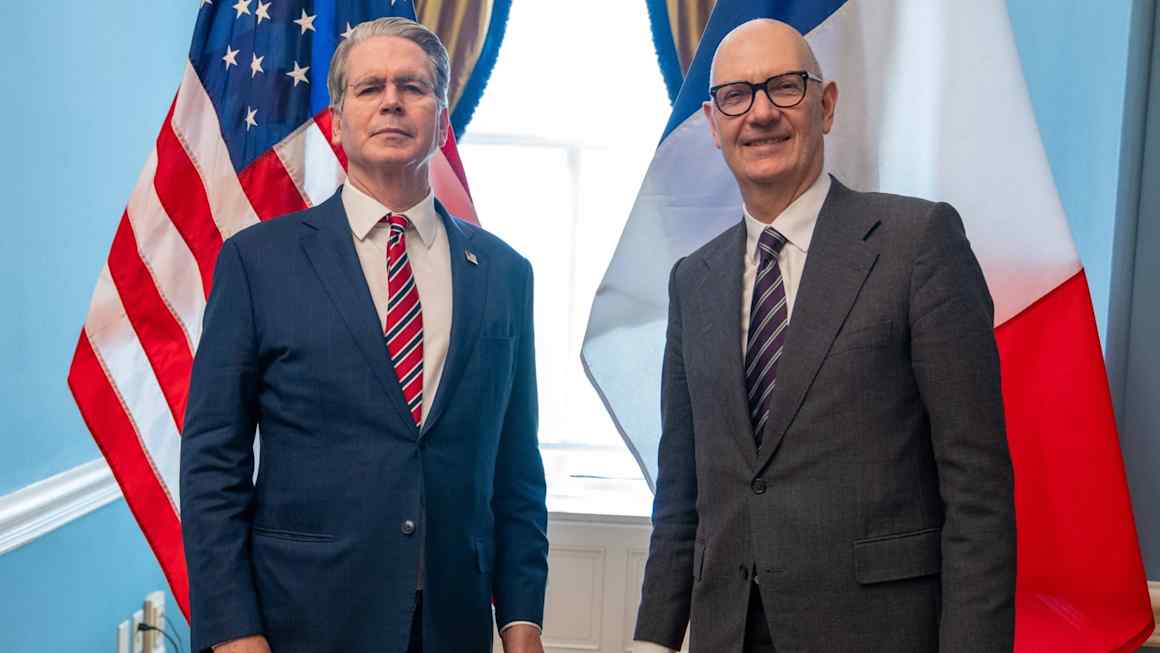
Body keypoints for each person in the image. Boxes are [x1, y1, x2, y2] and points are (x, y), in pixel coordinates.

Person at [632, 19, 1016, 653]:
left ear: (826, 105)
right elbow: (680, 497)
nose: (760, 113)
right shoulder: (691, 281)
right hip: (726, 633)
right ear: (712, 123)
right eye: (736, 96)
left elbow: (978, 492)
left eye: (784, 86)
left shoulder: (918, 244)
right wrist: (652, 642)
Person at [180, 17, 547, 653]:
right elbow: (213, 463)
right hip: (300, 624)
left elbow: (517, 470)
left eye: (414, 87)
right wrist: (234, 631)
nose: (391, 101)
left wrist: (522, 621)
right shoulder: (256, 263)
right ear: (337, 122)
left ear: (442, 119)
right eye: (369, 87)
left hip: (452, 627)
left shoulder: (505, 274)